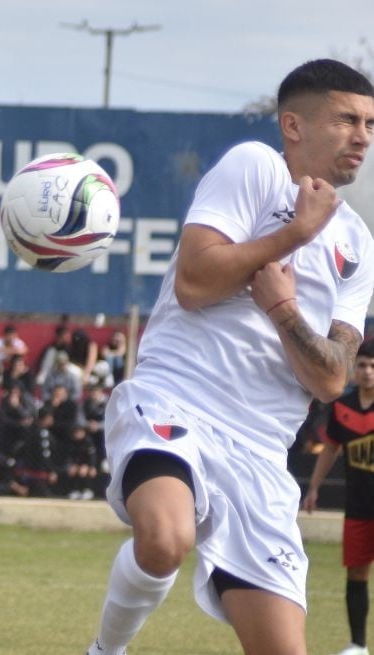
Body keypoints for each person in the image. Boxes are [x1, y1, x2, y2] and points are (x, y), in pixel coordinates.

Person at [85, 60, 374, 655]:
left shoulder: (357, 243)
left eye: (370, 124)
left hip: (263, 454)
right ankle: (104, 652)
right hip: (177, 401)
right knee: (165, 538)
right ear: (293, 125)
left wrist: (283, 311)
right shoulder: (255, 168)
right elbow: (194, 282)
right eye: (347, 119)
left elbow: (332, 378)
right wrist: (294, 234)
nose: (363, 137)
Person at [305, 340, 374, 655]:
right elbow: (330, 448)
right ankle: (358, 645)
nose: (368, 371)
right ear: (354, 369)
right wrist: (314, 487)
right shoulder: (342, 407)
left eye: (372, 366)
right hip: (358, 506)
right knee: (356, 573)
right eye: (362, 365)